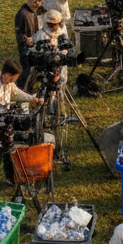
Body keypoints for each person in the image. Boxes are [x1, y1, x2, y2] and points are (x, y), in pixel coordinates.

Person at [0, 59, 44, 190]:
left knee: (8, 149)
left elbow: (16, 93)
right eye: (13, 78)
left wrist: (32, 99)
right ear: (7, 75)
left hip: (5, 122)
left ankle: (10, 178)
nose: (13, 81)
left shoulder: (8, 83)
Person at [30, 10, 71, 163]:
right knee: (42, 111)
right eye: (51, 25)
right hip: (45, 80)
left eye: (56, 24)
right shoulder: (40, 36)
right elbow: (34, 57)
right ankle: (41, 142)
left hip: (60, 78)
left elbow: (67, 50)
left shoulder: (62, 33)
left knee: (60, 112)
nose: (54, 27)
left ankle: (60, 146)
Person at [14, 0, 48, 90]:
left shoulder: (34, 11)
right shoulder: (22, 14)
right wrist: (26, 40)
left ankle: (28, 89)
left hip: (33, 47)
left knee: (33, 71)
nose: (38, 3)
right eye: (36, 0)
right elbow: (19, 34)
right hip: (26, 49)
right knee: (27, 71)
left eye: (40, 1)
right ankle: (19, 90)